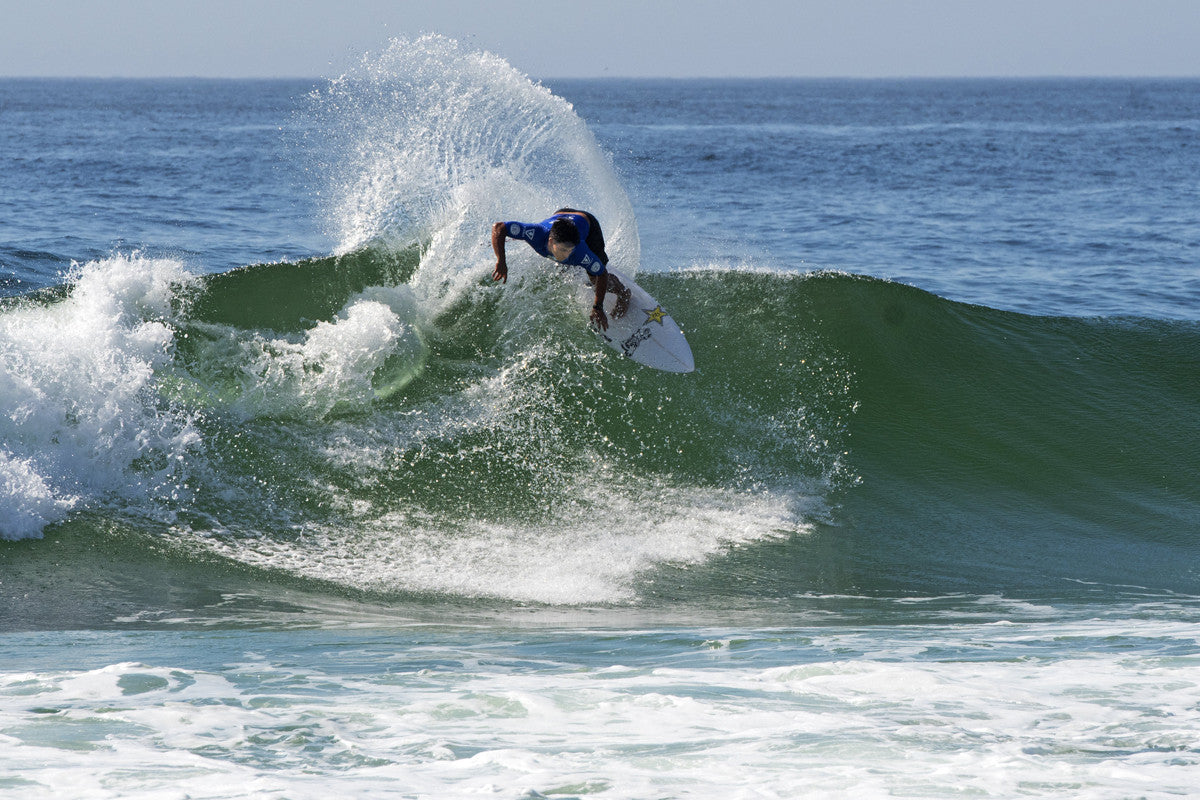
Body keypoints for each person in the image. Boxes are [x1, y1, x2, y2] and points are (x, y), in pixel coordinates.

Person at [491, 208, 629, 330]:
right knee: (564, 270)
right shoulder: (536, 234)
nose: (567, 254)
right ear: (550, 241)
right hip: (561, 217)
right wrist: (501, 260)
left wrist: (597, 307)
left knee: (594, 278)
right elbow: (499, 227)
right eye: (563, 250)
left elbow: (602, 274)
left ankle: (624, 294)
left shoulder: (580, 252)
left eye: (570, 250)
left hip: (587, 223)